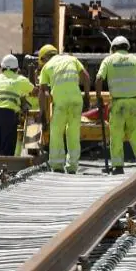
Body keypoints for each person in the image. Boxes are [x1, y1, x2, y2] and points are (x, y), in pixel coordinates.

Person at [93, 35, 136, 174]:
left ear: (113, 48)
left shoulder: (108, 60)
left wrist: (99, 98)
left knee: (116, 136)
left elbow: (99, 79)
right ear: (127, 47)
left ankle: (118, 167)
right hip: (134, 102)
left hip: (117, 104)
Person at [37, 43, 90, 174]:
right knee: (73, 133)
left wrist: (43, 113)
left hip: (60, 103)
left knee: (56, 132)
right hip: (76, 102)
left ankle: (57, 165)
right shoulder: (72, 59)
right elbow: (86, 77)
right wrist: (87, 96)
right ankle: (72, 166)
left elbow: (42, 91)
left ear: (44, 58)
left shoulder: (47, 67)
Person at [0, 54, 34, 157]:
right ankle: (5, 169)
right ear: (16, 68)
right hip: (8, 114)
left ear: (3, 68)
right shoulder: (20, 79)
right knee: (7, 146)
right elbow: (34, 91)